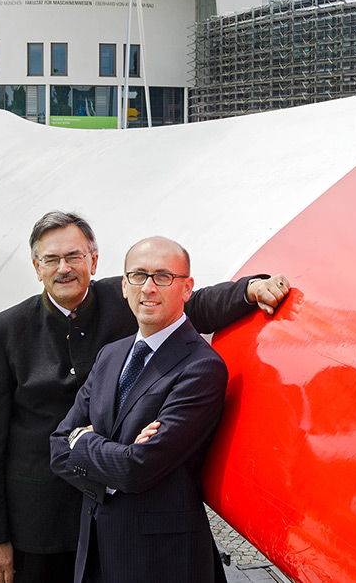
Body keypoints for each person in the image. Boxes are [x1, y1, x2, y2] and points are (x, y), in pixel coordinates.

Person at [0, 212, 289, 583]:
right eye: (51, 259)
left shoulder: (127, 295)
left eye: (74, 256)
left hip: (121, 519)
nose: (64, 269)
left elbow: (191, 304)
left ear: (93, 260)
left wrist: (248, 290)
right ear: (36, 266)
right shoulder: (5, 330)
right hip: (42, 524)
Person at [50, 236, 230, 583]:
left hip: (161, 562)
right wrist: (117, 452)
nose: (148, 288)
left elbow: (138, 468)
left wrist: (84, 442)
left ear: (187, 288)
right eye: (138, 275)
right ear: (124, 285)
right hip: (97, 550)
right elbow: (57, 447)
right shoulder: (111, 355)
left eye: (163, 276)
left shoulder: (201, 367)